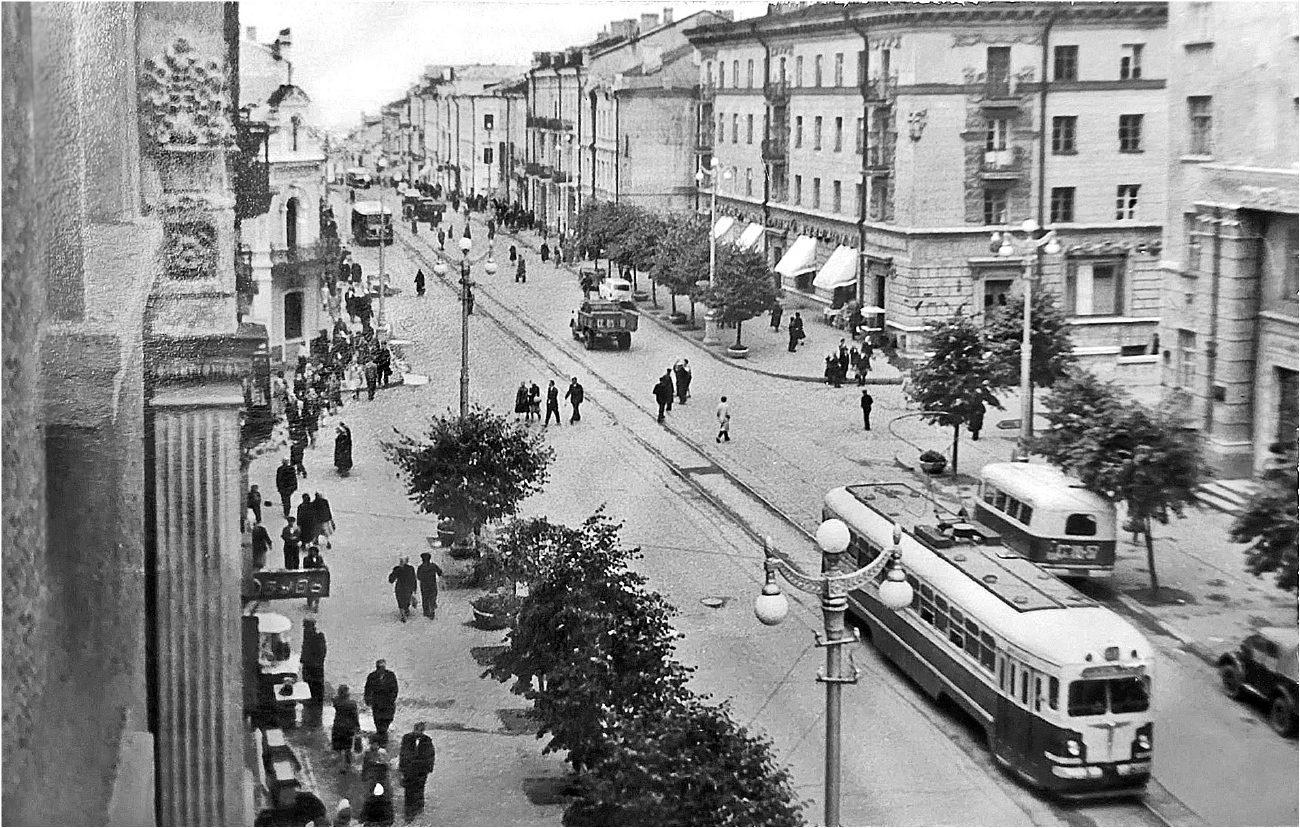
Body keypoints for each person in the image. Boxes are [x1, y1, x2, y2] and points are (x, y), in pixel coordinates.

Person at [399, 723, 436, 819]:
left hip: (421, 771)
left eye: (421, 730)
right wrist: (402, 768)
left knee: (419, 790)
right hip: (409, 770)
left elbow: (430, 755)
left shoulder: (427, 740)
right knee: (408, 791)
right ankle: (408, 813)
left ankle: (419, 810)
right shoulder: (406, 738)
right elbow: (402, 753)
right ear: (414, 729)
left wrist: (428, 769)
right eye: (417, 730)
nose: (418, 732)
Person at [364, 659, 399, 743]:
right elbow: (367, 689)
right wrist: (368, 700)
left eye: (382, 667)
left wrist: (391, 699)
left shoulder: (390, 675)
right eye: (379, 667)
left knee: (387, 720)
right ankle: (381, 740)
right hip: (377, 703)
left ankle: (382, 738)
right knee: (378, 721)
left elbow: (395, 689)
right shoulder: (372, 676)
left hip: (388, 704)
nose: (380, 669)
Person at [331, 685, 361, 768]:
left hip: (337, 726)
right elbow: (355, 717)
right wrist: (357, 727)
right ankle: (348, 764)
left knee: (338, 748)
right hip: (348, 728)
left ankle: (340, 764)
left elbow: (334, 698)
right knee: (348, 747)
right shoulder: (352, 704)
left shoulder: (336, 701)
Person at [301, 619, 327, 708]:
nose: (305, 629)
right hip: (310, 665)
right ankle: (311, 700)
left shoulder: (318, 637)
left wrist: (316, 662)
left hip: (314, 666)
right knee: (309, 684)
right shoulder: (308, 636)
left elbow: (322, 652)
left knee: (316, 685)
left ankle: (315, 701)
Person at [388, 557, 418, 622]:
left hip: (400, 587)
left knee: (400, 600)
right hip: (408, 587)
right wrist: (414, 588)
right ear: (407, 561)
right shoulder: (410, 569)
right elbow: (413, 578)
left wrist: (392, 574)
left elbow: (391, 580)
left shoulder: (397, 569)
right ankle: (406, 609)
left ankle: (402, 611)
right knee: (407, 599)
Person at [416, 552, 443, 619]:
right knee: (432, 597)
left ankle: (426, 611)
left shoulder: (421, 567)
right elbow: (440, 572)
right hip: (432, 585)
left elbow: (418, 577)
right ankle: (432, 608)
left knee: (425, 598)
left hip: (424, 586)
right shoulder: (433, 566)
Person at [303, 545, 326, 611]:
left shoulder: (319, 558)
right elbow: (306, 567)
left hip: (318, 577)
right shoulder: (306, 559)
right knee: (309, 590)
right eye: (311, 551)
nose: (313, 553)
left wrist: (323, 567)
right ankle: (309, 603)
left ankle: (316, 604)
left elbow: (322, 565)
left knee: (317, 590)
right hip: (310, 577)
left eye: (314, 551)